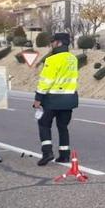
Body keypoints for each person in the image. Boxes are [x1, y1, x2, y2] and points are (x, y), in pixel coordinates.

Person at [33, 32, 79, 166]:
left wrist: (38, 98)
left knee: (44, 124)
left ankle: (47, 152)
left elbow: (46, 81)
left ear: (58, 43)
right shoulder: (73, 59)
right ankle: (64, 155)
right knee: (63, 126)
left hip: (52, 99)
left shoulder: (52, 59)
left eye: (53, 42)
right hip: (69, 99)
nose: (51, 44)